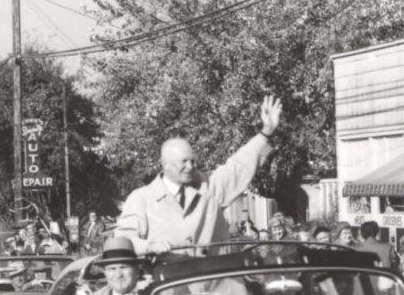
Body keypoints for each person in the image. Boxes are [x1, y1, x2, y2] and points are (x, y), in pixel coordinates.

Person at [115, 97, 282, 253]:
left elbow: (238, 166)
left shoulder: (207, 187)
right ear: (165, 164)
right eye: (183, 162)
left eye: (193, 161)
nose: (190, 167)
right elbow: (123, 240)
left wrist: (266, 132)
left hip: (210, 279)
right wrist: (150, 246)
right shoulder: (141, 199)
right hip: (167, 280)